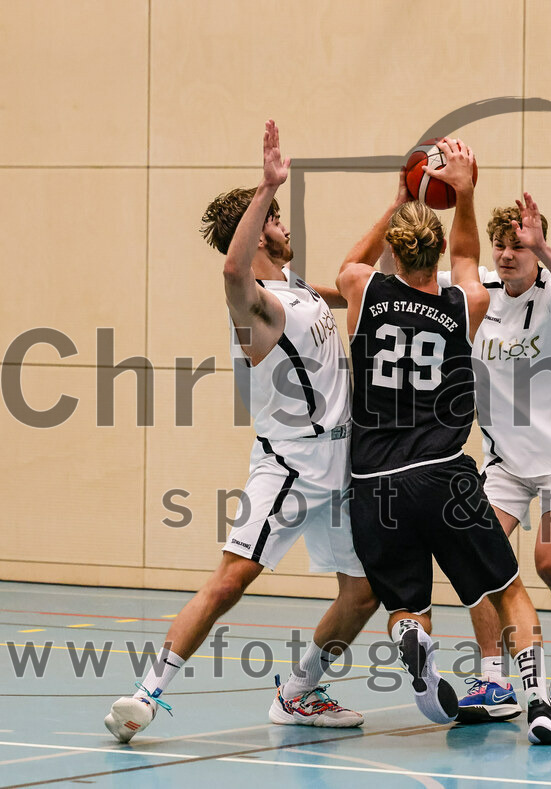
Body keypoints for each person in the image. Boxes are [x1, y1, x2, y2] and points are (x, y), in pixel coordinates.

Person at [104, 121, 378, 743]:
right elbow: (232, 273)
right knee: (231, 580)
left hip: (343, 468)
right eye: (274, 219)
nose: (284, 226)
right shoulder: (257, 306)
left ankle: (300, 692)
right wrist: (266, 187)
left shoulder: (298, 287)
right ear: (255, 234)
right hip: (288, 469)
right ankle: (146, 695)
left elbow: (360, 279)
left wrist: (397, 203)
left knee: (363, 593)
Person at [335, 138, 551, 745]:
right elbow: (470, 260)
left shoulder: (363, 293)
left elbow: (350, 263)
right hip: (443, 474)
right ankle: (541, 705)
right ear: (439, 251)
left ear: (395, 244)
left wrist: (397, 203)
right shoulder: (461, 302)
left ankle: (411, 638)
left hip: (372, 485)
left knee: (405, 604)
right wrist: (464, 196)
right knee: (509, 589)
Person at [433, 195, 551, 721]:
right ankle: (493, 682)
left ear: (535, 249)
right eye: (501, 244)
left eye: (518, 245)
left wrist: (544, 248)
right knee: (475, 563)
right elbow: (406, 279)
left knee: (549, 561)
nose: (507, 254)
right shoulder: (479, 292)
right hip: (503, 463)